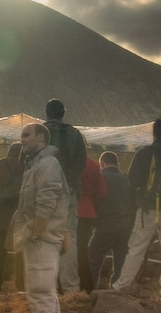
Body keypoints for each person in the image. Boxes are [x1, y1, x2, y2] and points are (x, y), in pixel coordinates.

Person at [10, 123, 69, 313]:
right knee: (47, 290)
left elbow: (46, 202)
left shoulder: (47, 164)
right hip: (43, 237)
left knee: (39, 291)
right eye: (21, 135)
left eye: (27, 135)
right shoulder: (39, 164)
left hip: (41, 239)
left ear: (41, 138)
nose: (22, 139)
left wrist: (35, 233)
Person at [111, 118, 161, 301]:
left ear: (154, 133)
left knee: (136, 247)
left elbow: (133, 179)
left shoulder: (144, 153)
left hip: (147, 208)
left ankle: (122, 285)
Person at [43, 98, 88, 294]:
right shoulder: (74, 133)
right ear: (63, 114)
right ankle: (70, 288)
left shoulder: (40, 131)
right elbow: (81, 162)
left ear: (46, 113)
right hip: (68, 190)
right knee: (69, 237)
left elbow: (26, 159)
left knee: (42, 237)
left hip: (44, 192)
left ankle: (45, 287)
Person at [88, 151, 135, 290]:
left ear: (101, 164)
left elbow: (94, 200)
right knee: (121, 263)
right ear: (118, 165)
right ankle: (117, 291)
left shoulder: (100, 178)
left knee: (92, 259)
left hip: (105, 225)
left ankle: (90, 290)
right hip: (126, 226)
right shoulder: (127, 179)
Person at [0, 142, 25, 291]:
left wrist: (2, 198)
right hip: (19, 214)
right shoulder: (26, 166)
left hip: (1, 214)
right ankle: (21, 284)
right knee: (21, 251)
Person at [76, 153, 108, 292]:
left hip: (67, 209)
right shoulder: (93, 165)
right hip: (86, 210)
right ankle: (86, 285)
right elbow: (102, 191)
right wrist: (89, 201)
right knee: (82, 249)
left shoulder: (62, 162)